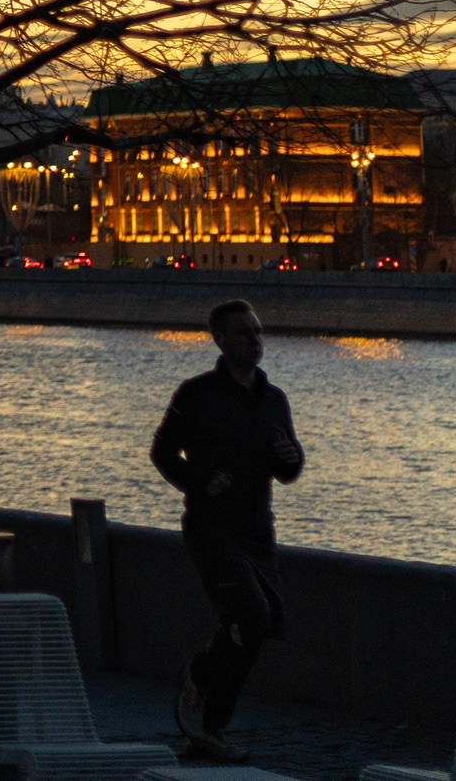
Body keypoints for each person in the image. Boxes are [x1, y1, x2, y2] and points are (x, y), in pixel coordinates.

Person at [150, 297, 304, 763]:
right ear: (220, 340)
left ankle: (210, 724)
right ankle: (203, 692)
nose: (255, 341)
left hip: (258, 530)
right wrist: (200, 480)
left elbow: (288, 468)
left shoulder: (273, 399)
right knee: (249, 617)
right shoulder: (196, 395)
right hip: (211, 528)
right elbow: (161, 453)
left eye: (258, 332)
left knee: (258, 627)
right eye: (243, 333)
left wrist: (292, 460)